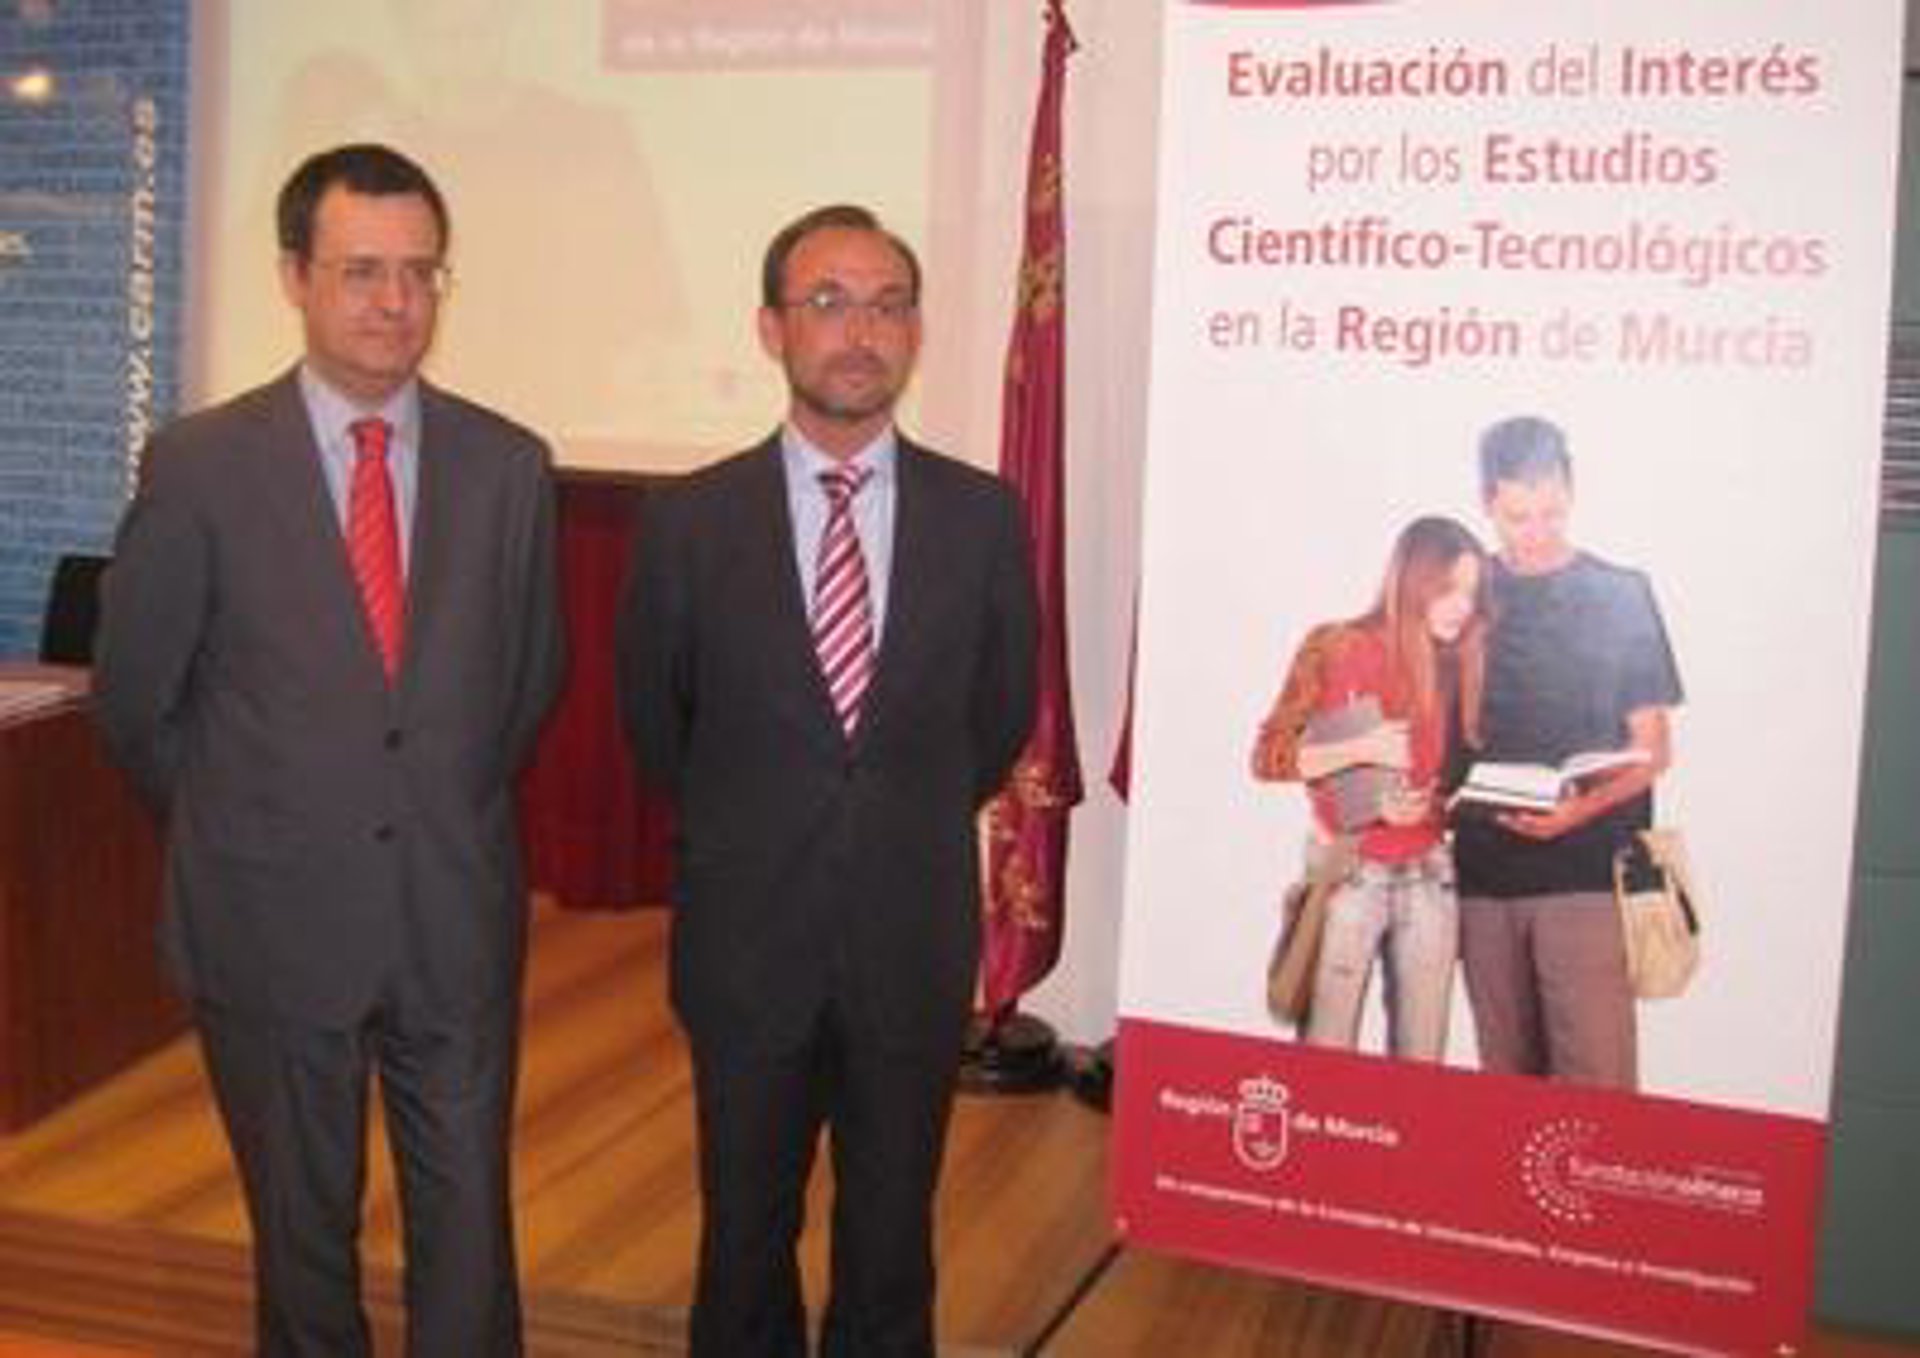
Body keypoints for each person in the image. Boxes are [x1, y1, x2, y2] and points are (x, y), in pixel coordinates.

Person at [92, 143, 564, 1356]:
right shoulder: (199, 465)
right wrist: (256, 819)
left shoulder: (509, 465)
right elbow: (138, 700)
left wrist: (422, 802)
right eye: (362, 270)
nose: (395, 301)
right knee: (302, 1241)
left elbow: (525, 685)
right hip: (271, 916)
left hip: (452, 910)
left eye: (420, 271)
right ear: (295, 276)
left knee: (470, 1229)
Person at [617, 203, 1038, 1357]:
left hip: (910, 936)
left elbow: (997, 716)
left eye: (888, 304)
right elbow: (659, 727)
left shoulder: (982, 517)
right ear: (772, 329)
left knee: (893, 1234)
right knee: (744, 1232)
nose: (862, 331)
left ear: (916, 330)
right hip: (747, 941)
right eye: (829, 302)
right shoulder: (690, 523)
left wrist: (889, 815)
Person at [1451, 415, 1683, 1090]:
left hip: (1587, 875)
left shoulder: (1620, 593)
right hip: (1482, 879)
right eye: (1518, 517)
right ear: (1488, 503)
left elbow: (1652, 751)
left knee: (1596, 1089)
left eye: (1551, 513)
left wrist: (1576, 813)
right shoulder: (1464, 595)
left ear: (1572, 492)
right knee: (1506, 1087)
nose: (1537, 533)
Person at [1252, 516, 1489, 1060]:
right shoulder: (1336, 646)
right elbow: (1268, 758)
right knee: (1325, 1059)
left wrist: (1426, 808)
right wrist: (1362, 749)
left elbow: (1450, 783)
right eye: (1449, 588)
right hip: (1348, 875)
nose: (1462, 606)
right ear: (1412, 579)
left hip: (1429, 876)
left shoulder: (1457, 662)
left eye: (1471, 593)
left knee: (1419, 1066)